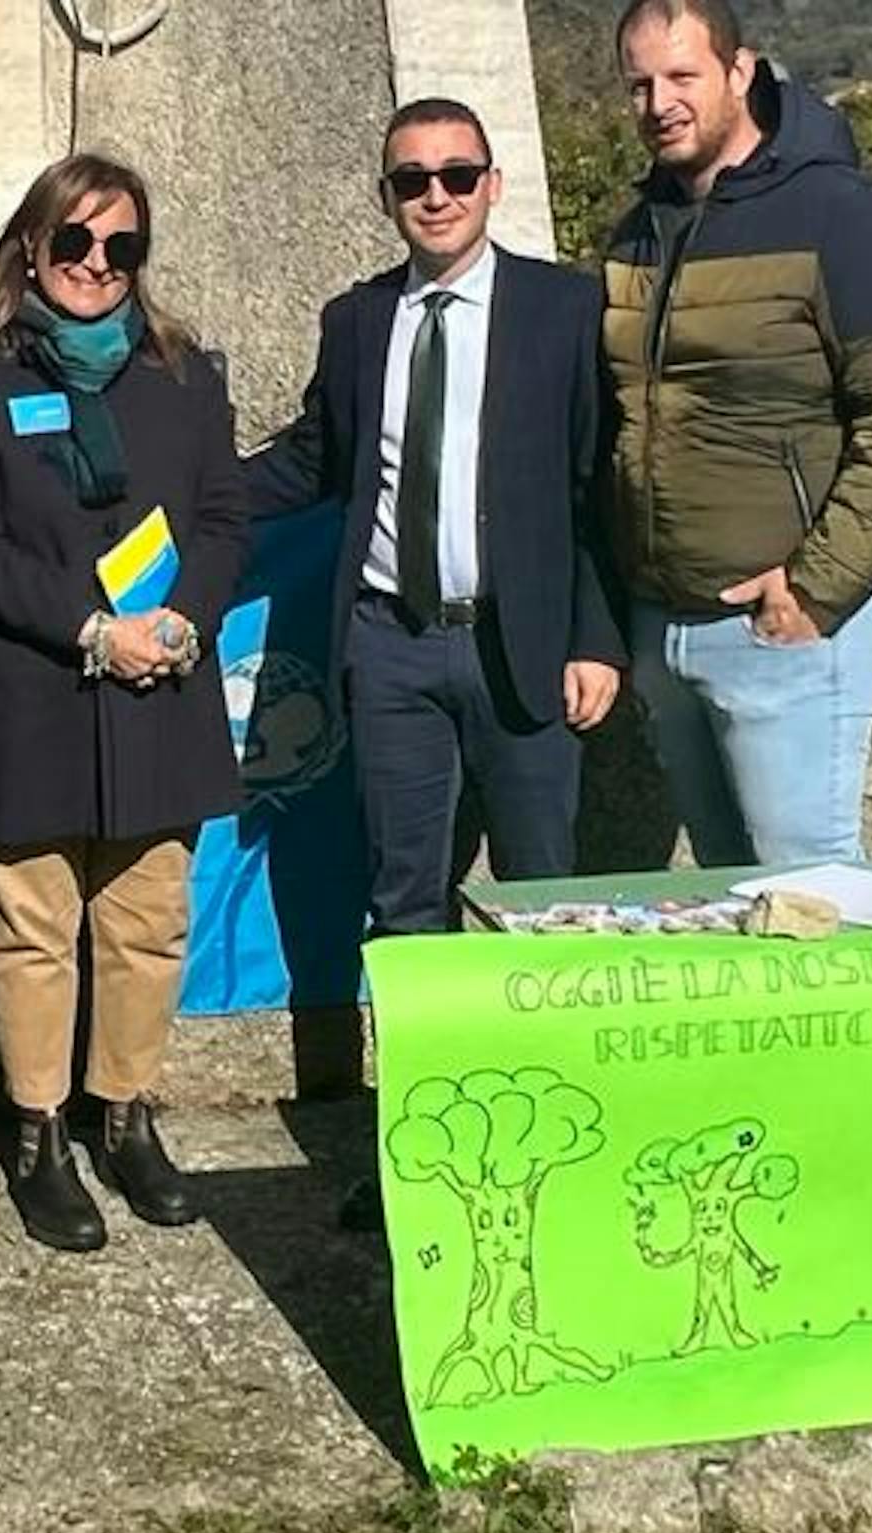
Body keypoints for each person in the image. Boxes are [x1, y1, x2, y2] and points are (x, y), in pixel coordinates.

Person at [0, 154, 247, 1252]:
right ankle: (39, 1135)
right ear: (33, 247)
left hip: (160, 688)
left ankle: (125, 1117)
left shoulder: (184, 374)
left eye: (121, 246)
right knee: (29, 931)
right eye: (74, 242)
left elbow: (223, 519)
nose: (96, 266)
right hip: (28, 694)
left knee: (146, 925)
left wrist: (184, 620)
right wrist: (87, 628)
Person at [245, 98, 623, 935]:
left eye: (457, 175)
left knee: (541, 897)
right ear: (387, 197)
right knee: (402, 894)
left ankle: (540, 1069)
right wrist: (190, 488)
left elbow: (595, 489)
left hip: (520, 644)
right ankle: (423, 1071)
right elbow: (314, 458)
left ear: (492, 186)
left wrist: (595, 638)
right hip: (391, 647)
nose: (436, 196)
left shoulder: (565, 311)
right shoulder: (356, 320)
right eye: (412, 179)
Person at [605, 0, 872, 866]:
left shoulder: (846, 215)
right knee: (730, 902)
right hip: (666, 627)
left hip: (786, 628)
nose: (660, 103)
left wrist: (815, 588)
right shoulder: (638, 231)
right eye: (641, 84)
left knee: (807, 904)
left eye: (682, 76)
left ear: (739, 71)